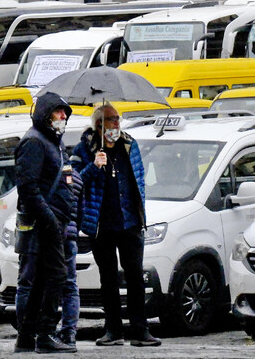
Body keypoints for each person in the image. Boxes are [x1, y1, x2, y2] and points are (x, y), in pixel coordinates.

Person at [71, 102, 161, 347]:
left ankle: (141, 330)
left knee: (134, 276)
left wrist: (140, 211)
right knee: (108, 278)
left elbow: (139, 178)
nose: (116, 124)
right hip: (102, 224)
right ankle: (113, 330)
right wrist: (94, 166)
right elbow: (72, 182)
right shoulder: (85, 149)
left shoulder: (129, 145)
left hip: (130, 220)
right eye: (111, 120)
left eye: (118, 120)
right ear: (99, 124)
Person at [14, 92, 76, 354]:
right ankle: (46, 334)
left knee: (41, 278)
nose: (63, 117)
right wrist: (50, 218)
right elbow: (27, 188)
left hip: (55, 220)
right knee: (56, 275)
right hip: (45, 221)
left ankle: (28, 335)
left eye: (65, 113)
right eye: (58, 112)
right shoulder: (34, 142)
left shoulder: (52, 141)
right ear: (45, 114)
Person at [57, 168, 84, 348]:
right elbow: (80, 211)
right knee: (70, 284)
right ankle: (69, 332)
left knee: (47, 284)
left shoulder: (52, 173)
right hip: (71, 236)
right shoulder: (77, 178)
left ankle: (45, 330)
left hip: (55, 234)